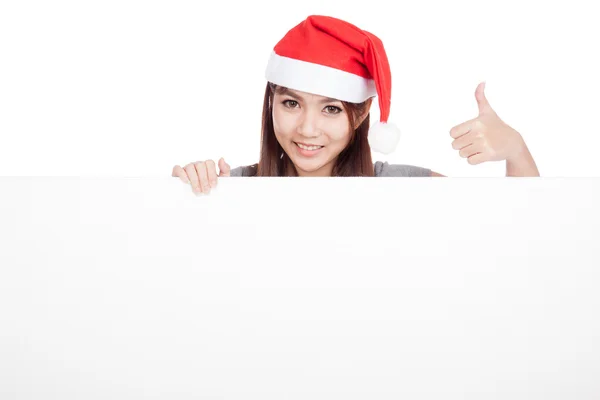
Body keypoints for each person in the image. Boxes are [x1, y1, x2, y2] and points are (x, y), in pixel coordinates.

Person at [172, 15, 540, 195]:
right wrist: (187, 193)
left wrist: (516, 151)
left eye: (331, 108)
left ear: (361, 113)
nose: (307, 129)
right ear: (271, 103)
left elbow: (521, 238)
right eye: (290, 103)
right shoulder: (235, 190)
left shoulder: (402, 188)